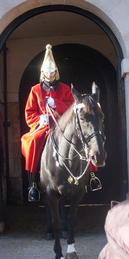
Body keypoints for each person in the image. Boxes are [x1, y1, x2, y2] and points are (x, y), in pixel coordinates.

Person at [21, 44, 101, 202]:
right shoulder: (35, 90)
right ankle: (33, 184)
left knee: (84, 139)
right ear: (42, 73)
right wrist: (40, 119)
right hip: (44, 126)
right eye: (47, 72)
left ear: (56, 73)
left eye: (52, 72)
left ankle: (92, 175)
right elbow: (29, 112)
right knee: (32, 142)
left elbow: (73, 107)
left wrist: (55, 103)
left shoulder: (65, 88)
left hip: (64, 126)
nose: (49, 75)